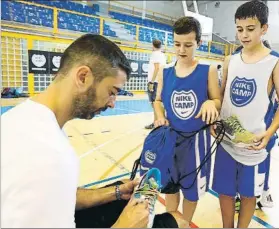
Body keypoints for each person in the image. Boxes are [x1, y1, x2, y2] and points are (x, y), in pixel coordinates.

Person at [1, 34, 187, 228]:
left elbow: (59, 194)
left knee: (122, 200)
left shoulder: (24, 119)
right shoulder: (49, 155)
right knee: (177, 221)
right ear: (83, 77)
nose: (113, 103)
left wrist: (115, 192)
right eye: (111, 92)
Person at [212, 1, 279, 227]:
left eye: (250, 29)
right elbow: (220, 97)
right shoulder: (230, 59)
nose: (244, 35)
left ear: (264, 29)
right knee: (225, 192)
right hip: (226, 141)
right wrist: (216, 118)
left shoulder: (274, 62)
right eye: (239, 29)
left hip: (254, 146)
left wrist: (269, 133)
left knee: (249, 195)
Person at [153, 16, 221, 223]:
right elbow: (157, 100)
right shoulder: (165, 72)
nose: (181, 50)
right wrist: (160, 117)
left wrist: (212, 103)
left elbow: (217, 99)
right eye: (177, 44)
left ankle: (184, 224)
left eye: (188, 45)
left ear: (198, 43)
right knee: (170, 188)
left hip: (196, 143)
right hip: (170, 141)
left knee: (191, 193)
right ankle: (171, 222)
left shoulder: (207, 70)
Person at [145, 39, 166, 129]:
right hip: (161, 81)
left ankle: (156, 122)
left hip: (155, 82)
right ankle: (159, 121)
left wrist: (152, 82)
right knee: (158, 103)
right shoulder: (162, 55)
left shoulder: (155, 54)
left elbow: (157, 68)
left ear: (153, 45)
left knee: (154, 103)